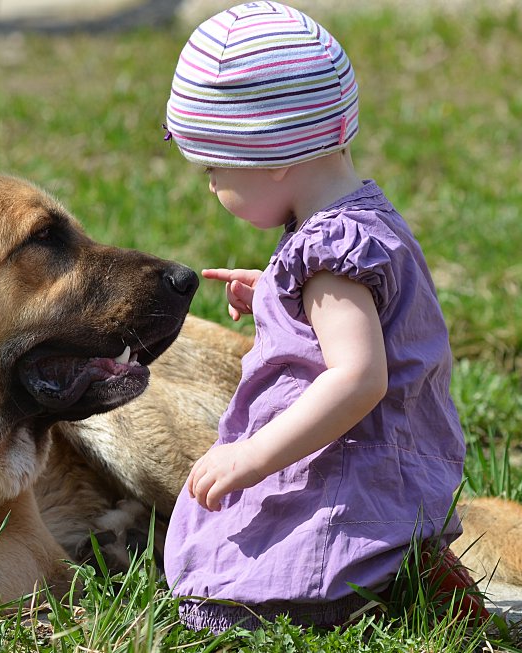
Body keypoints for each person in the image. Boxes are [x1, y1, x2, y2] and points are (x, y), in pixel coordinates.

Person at [162, 1, 468, 632]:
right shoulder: (358, 221)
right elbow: (361, 314)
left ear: (272, 154)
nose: (211, 187)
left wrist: (253, 458)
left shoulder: (330, 257)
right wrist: (276, 290)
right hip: (385, 458)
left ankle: (367, 587)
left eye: (216, 168)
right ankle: (406, 564)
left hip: (352, 472)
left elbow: (357, 378)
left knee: (225, 598)